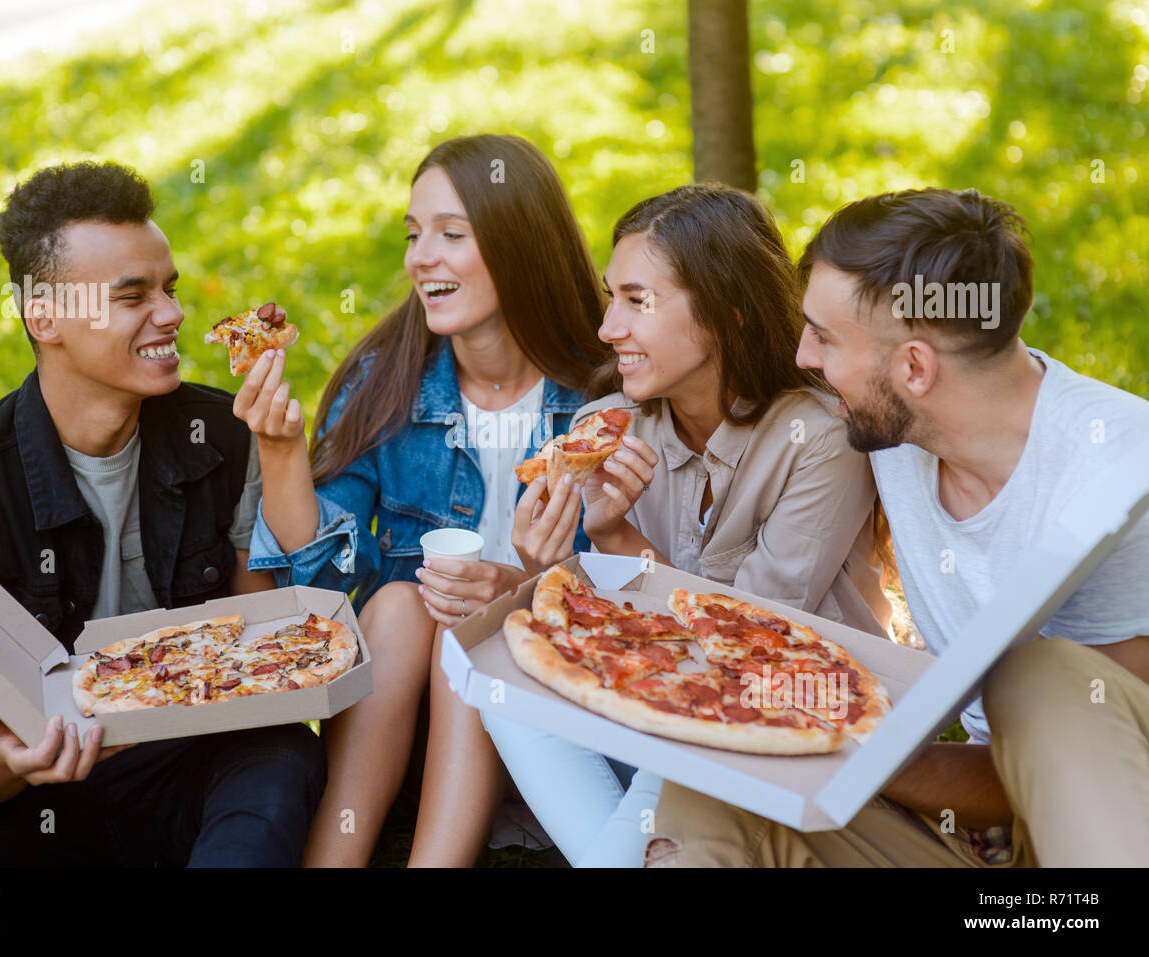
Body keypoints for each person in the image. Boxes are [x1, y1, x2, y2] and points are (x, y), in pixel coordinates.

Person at [646, 187, 1149, 868]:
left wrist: (857, 742)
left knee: (1043, 676)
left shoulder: (1120, 475)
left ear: (915, 366)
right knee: (713, 787)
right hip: (978, 833)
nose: (803, 356)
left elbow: (1093, 762)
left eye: (823, 337)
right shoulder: (890, 436)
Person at [0, 161, 325, 867]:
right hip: (29, 804)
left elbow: (268, 647)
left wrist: (283, 452)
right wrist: (16, 759)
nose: (171, 314)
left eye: (169, 289)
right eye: (133, 297)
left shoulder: (223, 435)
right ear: (44, 316)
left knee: (282, 756)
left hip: (182, 770)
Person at [481, 183, 893, 866]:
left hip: (800, 720)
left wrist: (618, 540)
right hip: (661, 711)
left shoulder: (818, 441)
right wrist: (542, 567)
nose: (608, 328)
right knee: (504, 673)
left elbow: (741, 646)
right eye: (613, 297)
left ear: (728, 312)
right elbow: (602, 639)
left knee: (686, 727)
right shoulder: (603, 431)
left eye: (638, 301)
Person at [242, 134, 610, 866]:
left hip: (564, 710)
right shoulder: (387, 380)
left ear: (519, 243)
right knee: (407, 606)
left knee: (475, 623)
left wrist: (516, 590)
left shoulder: (602, 398)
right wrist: (280, 454)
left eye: (451, 234)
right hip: (414, 730)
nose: (421, 258)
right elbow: (323, 592)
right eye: (414, 236)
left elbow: (631, 592)